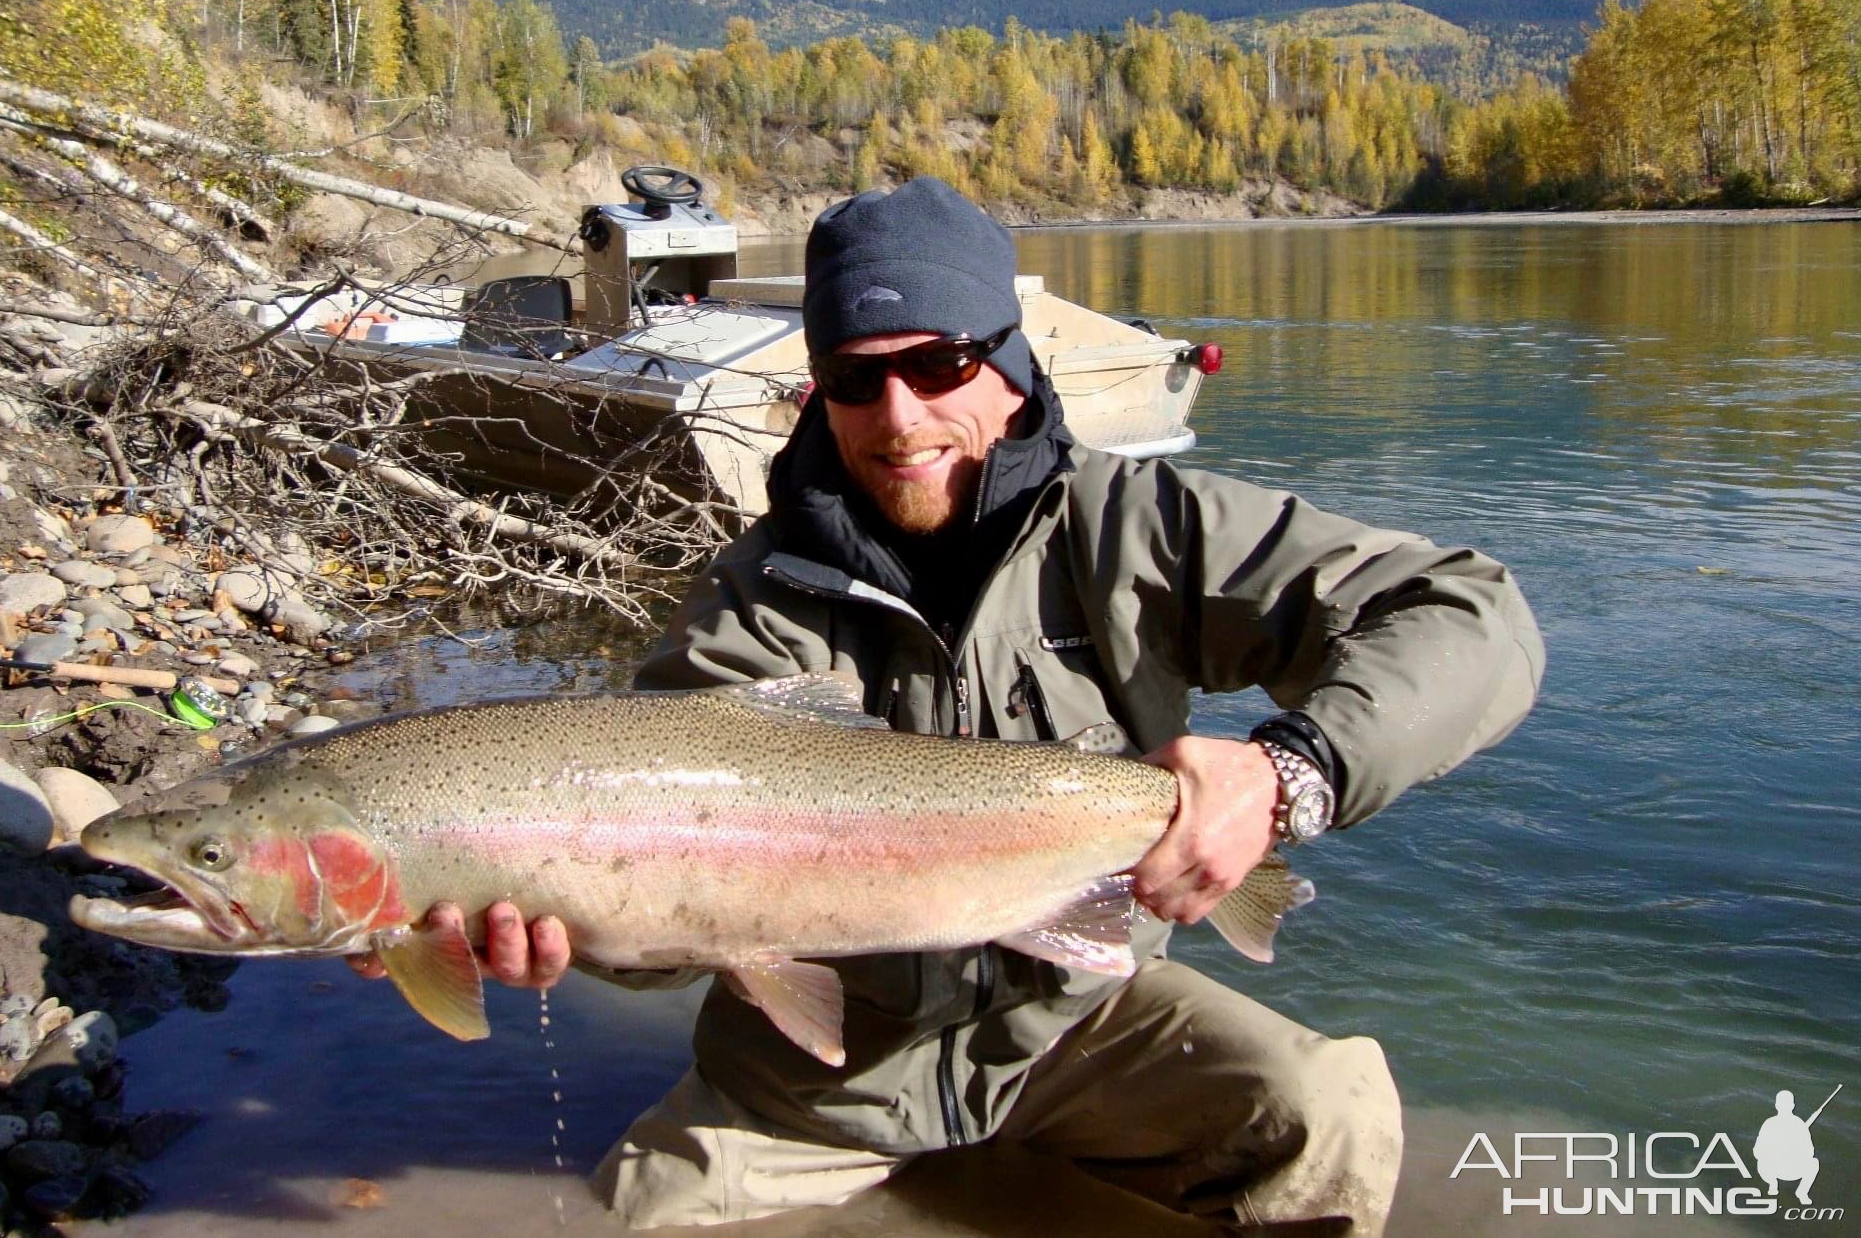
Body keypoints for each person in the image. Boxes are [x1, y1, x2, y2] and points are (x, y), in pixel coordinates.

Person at [419, 178, 1544, 1231]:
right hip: (813, 1087)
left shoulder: (1139, 530)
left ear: (1009, 365)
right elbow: (666, 933)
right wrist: (568, 921)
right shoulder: (751, 599)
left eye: (942, 362)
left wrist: (1284, 772)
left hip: (1079, 1024)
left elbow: (1469, 616)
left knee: (1324, 1107)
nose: (897, 415)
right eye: (855, 378)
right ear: (820, 389)